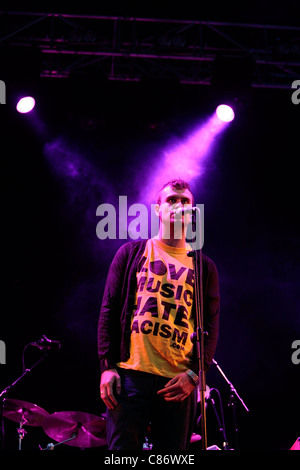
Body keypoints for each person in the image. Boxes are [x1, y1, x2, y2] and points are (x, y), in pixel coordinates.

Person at [97, 178, 220, 451]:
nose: (178, 205)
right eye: (171, 200)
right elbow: (109, 310)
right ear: (157, 210)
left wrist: (195, 375)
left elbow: (210, 325)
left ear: (193, 210)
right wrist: (107, 367)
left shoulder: (204, 267)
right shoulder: (131, 253)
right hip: (131, 376)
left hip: (178, 382)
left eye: (185, 201)